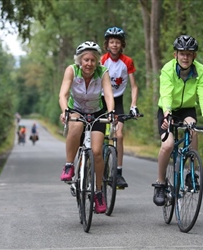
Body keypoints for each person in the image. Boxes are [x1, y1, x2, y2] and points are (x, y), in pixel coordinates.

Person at [153, 35, 203, 206]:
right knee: (168, 145)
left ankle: (192, 174)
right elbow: (166, 93)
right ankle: (160, 183)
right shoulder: (167, 69)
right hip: (167, 110)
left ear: (194, 56)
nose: (185, 57)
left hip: (187, 109)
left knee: (192, 128)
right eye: (182, 53)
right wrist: (167, 114)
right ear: (175, 55)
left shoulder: (200, 70)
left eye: (189, 54)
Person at [59, 41, 115, 213]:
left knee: (97, 151)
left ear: (97, 61)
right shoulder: (71, 70)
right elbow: (63, 94)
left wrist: (111, 112)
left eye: (92, 60)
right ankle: (69, 165)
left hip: (96, 112)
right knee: (76, 126)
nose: (89, 64)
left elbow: (108, 95)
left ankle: (98, 192)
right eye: (86, 60)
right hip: (76, 110)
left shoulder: (102, 72)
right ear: (79, 61)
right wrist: (65, 111)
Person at [101, 26, 140, 188]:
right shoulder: (102, 60)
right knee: (96, 134)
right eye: (112, 42)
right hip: (101, 100)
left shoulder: (127, 61)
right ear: (107, 44)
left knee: (119, 135)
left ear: (122, 44)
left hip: (118, 101)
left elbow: (134, 86)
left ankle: (118, 172)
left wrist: (133, 105)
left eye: (117, 42)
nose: (115, 45)